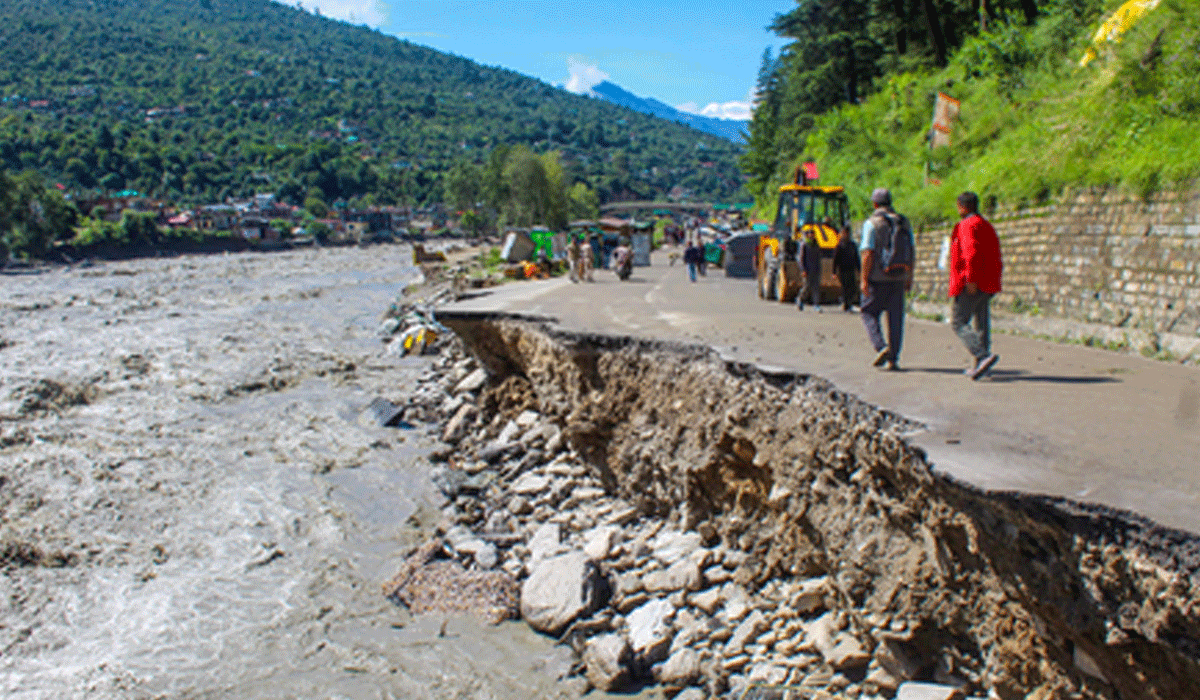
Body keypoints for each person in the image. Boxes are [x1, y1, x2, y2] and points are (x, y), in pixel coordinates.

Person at [949, 191, 1002, 379]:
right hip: (988, 281)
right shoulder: (986, 225)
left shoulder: (967, 225)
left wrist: (970, 279)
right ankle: (982, 366)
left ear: (962, 207)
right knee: (981, 322)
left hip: (972, 281)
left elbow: (970, 253)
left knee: (958, 322)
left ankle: (982, 356)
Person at [860, 188, 914, 371]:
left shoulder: (872, 224)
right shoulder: (904, 222)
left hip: (877, 279)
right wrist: (909, 276)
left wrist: (864, 280)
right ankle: (894, 359)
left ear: (874, 204)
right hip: (898, 277)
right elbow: (911, 251)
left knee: (868, 312)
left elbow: (868, 253)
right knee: (896, 319)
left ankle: (881, 346)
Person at [832, 225, 861, 312]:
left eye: (846, 233)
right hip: (843, 269)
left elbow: (856, 258)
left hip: (851, 269)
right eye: (843, 233)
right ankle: (846, 304)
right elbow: (835, 259)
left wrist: (859, 269)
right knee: (845, 288)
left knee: (853, 287)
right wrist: (834, 272)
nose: (844, 234)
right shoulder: (840, 246)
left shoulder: (853, 245)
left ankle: (849, 303)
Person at [797, 229, 822, 312]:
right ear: (807, 235)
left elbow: (818, 258)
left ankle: (816, 305)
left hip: (815, 269)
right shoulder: (804, 244)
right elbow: (801, 258)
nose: (811, 235)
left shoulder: (816, 244)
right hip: (807, 270)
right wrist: (803, 270)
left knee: (816, 288)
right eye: (810, 234)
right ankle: (800, 300)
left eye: (813, 234)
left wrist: (819, 268)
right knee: (806, 287)